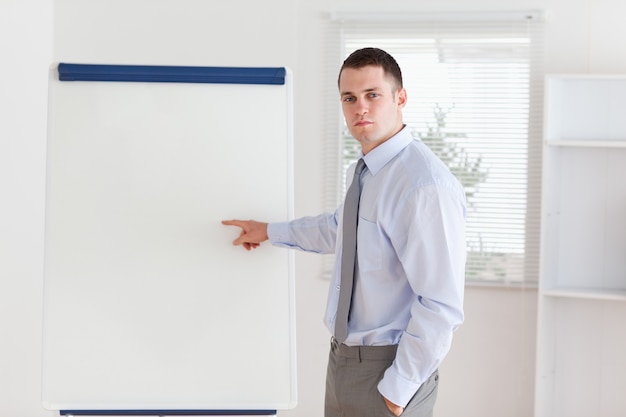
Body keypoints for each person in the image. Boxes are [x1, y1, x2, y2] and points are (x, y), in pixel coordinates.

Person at [222, 47, 466, 417]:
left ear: (400, 98)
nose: (360, 108)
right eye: (349, 98)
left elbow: (441, 303)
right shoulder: (366, 170)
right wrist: (268, 231)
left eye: (373, 95)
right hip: (342, 363)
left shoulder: (423, 185)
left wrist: (397, 392)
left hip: (389, 371)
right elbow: (340, 230)